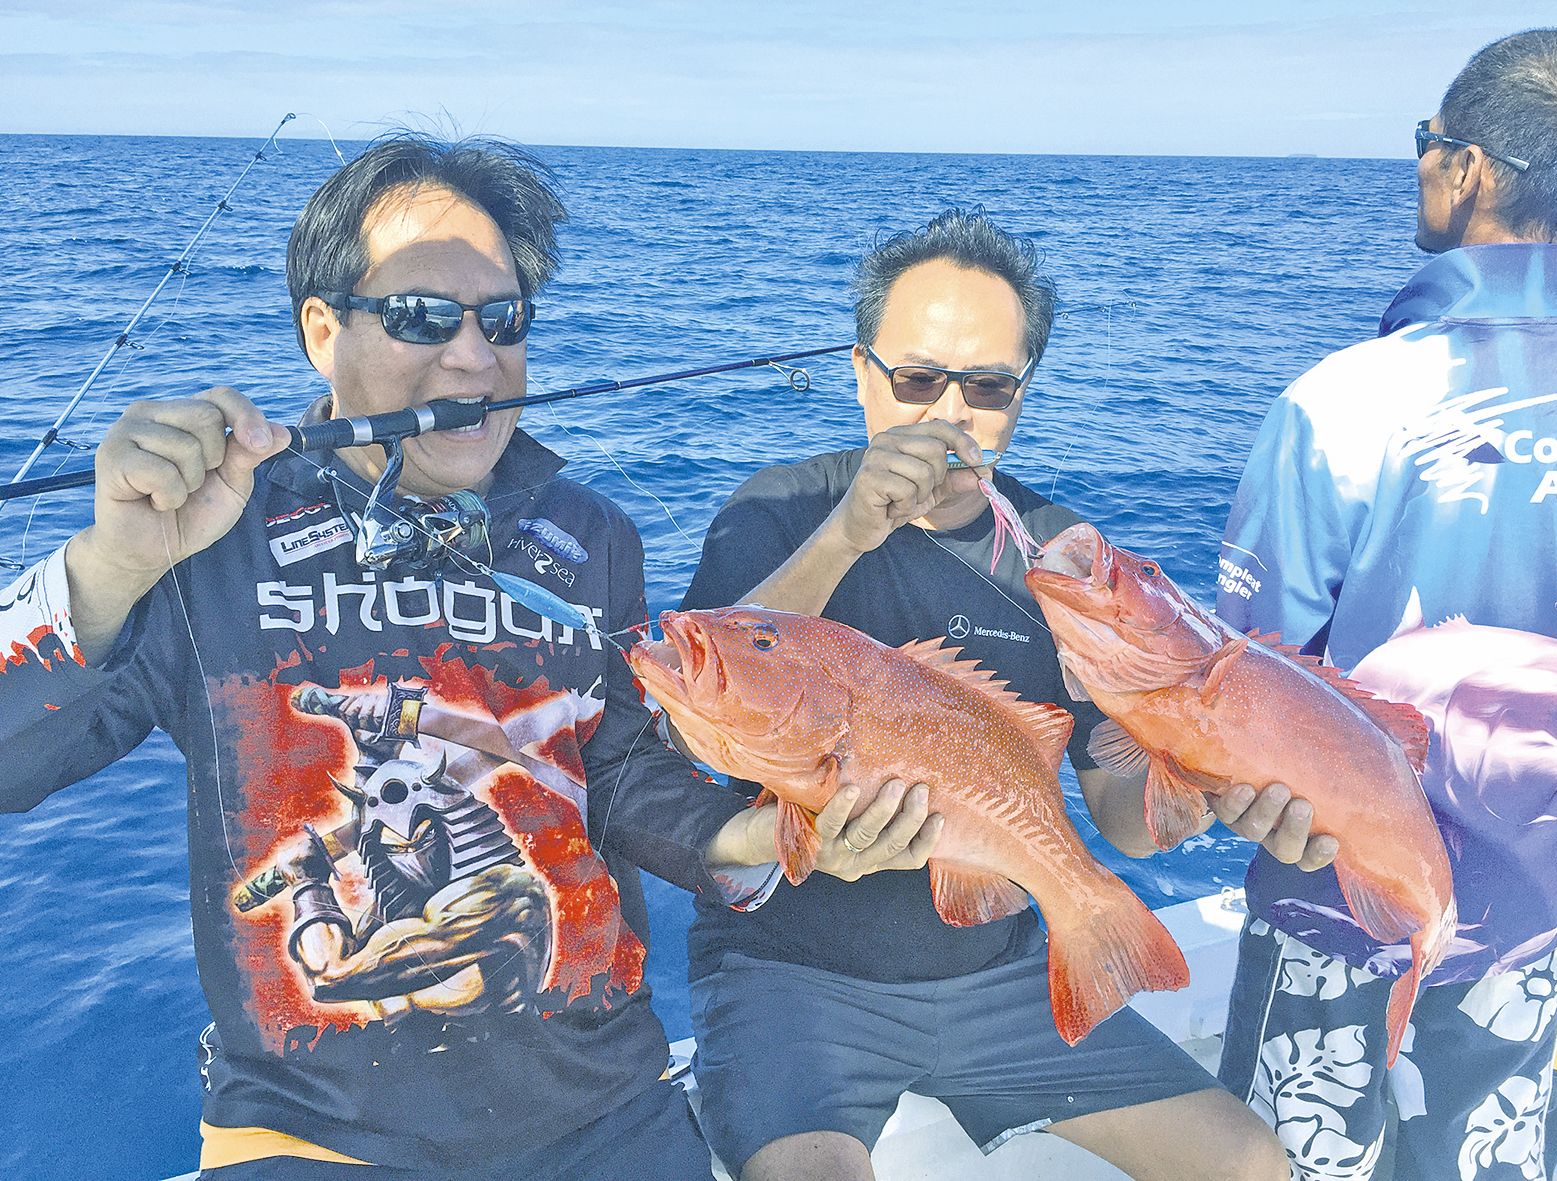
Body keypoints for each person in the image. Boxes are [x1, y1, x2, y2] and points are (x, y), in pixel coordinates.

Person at [0, 132, 913, 1181]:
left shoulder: (590, 534)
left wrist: (763, 836)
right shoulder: (209, 537)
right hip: (311, 1131)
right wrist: (110, 565)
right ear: (321, 331)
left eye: (502, 319)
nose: (475, 357)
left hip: (606, 1109)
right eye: (422, 315)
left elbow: (615, 771)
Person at [677, 208, 1328, 1181]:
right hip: (793, 976)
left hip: (1004, 972)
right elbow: (695, 726)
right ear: (861, 373)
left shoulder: (1061, 560)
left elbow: (1124, 820)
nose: (949, 414)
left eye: (986, 386)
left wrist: (1203, 783)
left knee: (1245, 1160)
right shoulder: (780, 511)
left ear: (1023, 393)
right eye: (917, 379)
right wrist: (848, 533)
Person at [1214, 28, 1557, 1181]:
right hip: (1541, 924)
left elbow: (1249, 682)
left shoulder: (1345, 401)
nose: (1421, 161)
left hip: (1342, 914)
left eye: (1429, 141)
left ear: (1467, 169)